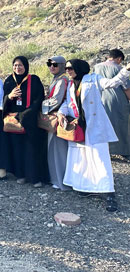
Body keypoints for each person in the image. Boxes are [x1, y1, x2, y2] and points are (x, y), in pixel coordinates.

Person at [58, 59, 130, 212]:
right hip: (79, 126)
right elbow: (67, 103)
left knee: (100, 159)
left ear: (79, 68)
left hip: (94, 125)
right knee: (82, 158)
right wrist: (61, 113)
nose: (68, 70)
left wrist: (126, 70)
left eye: (70, 67)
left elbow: (112, 83)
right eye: (66, 68)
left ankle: (108, 193)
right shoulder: (71, 84)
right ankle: (85, 186)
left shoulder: (93, 79)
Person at [2, 56, 49, 187]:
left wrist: (26, 114)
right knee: (17, 148)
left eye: (20, 65)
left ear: (26, 66)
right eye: (15, 65)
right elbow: (3, 100)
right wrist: (10, 96)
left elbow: (39, 99)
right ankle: (20, 174)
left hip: (30, 119)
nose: (17, 68)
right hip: (14, 121)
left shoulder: (34, 80)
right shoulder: (9, 80)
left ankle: (34, 178)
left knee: (31, 149)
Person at [94, 49, 130, 159]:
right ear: (119, 59)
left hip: (101, 99)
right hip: (117, 100)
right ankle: (124, 151)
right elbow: (126, 87)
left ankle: (106, 151)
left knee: (104, 125)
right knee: (121, 125)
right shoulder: (119, 68)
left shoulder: (96, 67)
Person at [41, 56, 70, 190]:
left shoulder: (62, 80)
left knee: (57, 150)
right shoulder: (57, 79)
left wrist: (40, 104)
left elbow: (56, 100)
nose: (52, 67)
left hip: (57, 117)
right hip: (54, 116)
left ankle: (60, 180)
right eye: (49, 64)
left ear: (62, 66)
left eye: (55, 64)